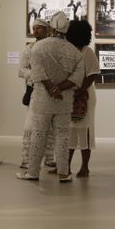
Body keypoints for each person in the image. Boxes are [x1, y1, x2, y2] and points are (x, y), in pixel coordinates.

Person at [16, 11, 84, 182]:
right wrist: (59, 89)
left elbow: (37, 71)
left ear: (51, 27)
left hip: (42, 99)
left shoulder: (39, 47)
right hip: (64, 100)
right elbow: (77, 76)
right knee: (62, 136)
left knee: (39, 134)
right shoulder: (74, 51)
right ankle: (63, 173)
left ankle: (32, 172)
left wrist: (51, 88)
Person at [18, 18, 56, 170]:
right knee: (30, 126)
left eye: (39, 28)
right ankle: (26, 159)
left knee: (51, 127)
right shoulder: (30, 48)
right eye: (34, 29)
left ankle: (49, 158)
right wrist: (36, 76)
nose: (36, 31)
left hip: (51, 90)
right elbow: (21, 70)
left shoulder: (53, 48)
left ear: (47, 30)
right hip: (35, 90)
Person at [66, 20, 100, 178]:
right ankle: (65, 165)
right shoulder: (68, 49)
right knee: (69, 129)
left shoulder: (87, 52)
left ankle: (85, 167)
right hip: (70, 94)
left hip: (85, 95)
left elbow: (93, 74)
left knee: (84, 128)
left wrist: (80, 90)